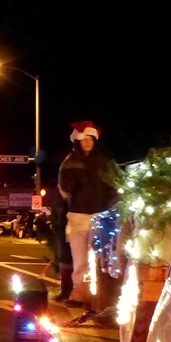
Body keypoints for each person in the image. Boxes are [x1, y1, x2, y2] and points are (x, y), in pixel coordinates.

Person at [57, 121, 119, 307]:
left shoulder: (104, 163)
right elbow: (64, 190)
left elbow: (113, 186)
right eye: (84, 139)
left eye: (91, 139)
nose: (88, 142)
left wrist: (111, 206)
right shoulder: (70, 162)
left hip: (100, 216)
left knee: (100, 259)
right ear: (78, 140)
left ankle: (99, 297)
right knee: (81, 258)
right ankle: (80, 294)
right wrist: (75, 179)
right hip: (78, 217)